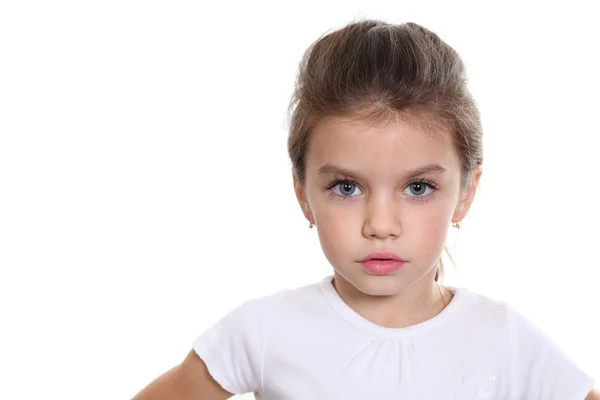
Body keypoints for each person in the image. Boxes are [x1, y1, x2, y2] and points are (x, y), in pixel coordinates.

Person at [132, 18, 598, 399]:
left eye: (417, 187)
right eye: (346, 187)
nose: (380, 225)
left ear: (466, 193)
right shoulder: (266, 331)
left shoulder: (503, 341)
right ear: (302, 192)